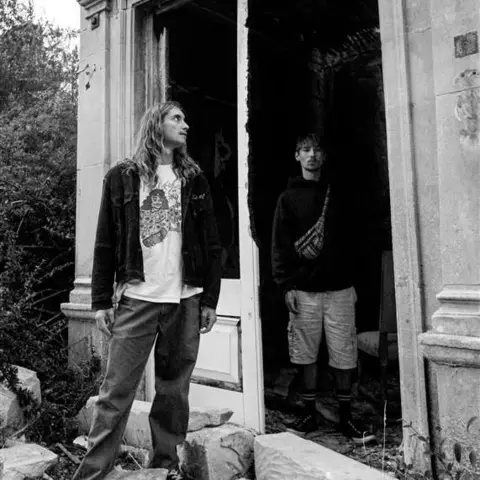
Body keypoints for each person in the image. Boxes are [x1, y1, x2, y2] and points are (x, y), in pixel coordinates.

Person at [72, 101, 222, 480]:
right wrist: (101, 300)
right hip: (138, 298)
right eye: (177, 118)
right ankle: (93, 473)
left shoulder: (194, 180)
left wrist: (210, 299)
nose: (186, 125)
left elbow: (212, 244)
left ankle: (165, 467)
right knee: (116, 391)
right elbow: (105, 242)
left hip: (184, 300)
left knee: (173, 393)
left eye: (185, 119)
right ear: (156, 124)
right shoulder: (121, 177)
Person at [271, 133, 375, 444]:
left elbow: (356, 240)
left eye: (317, 149)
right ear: (297, 156)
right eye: (305, 150)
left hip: (340, 289)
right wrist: (286, 286)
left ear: (324, 156)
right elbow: (279, 245)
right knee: (305, 354)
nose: (312, 155)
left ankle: (346, 417)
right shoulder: (287, 199)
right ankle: (309, 414)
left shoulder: (339, 195)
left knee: (344, 354)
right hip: (304, 290)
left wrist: (355, 280)